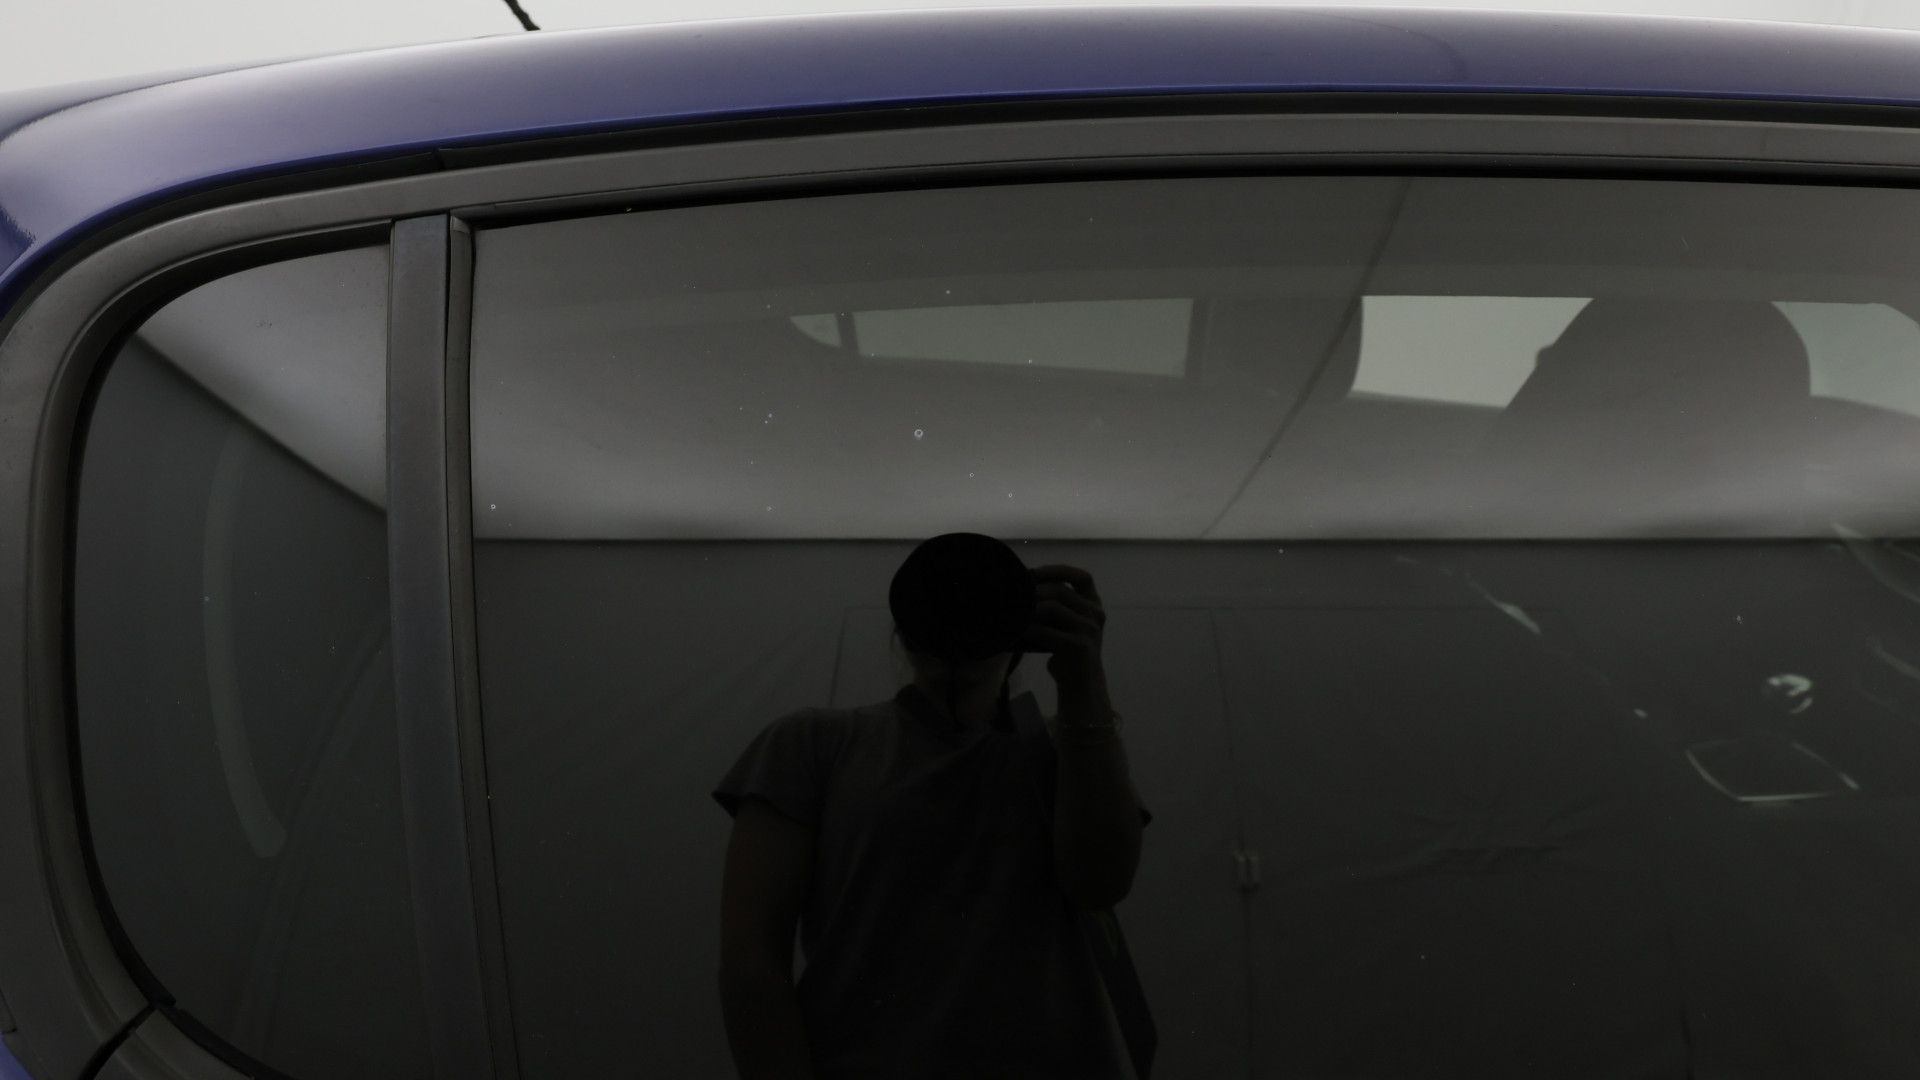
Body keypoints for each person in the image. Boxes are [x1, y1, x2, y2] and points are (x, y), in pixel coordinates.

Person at [713, 532, 1150, 1079]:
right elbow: (752, 965)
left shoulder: (1067, 750)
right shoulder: (809, 745)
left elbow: (1101, 884)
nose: (957, 633)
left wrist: (1083, 680)